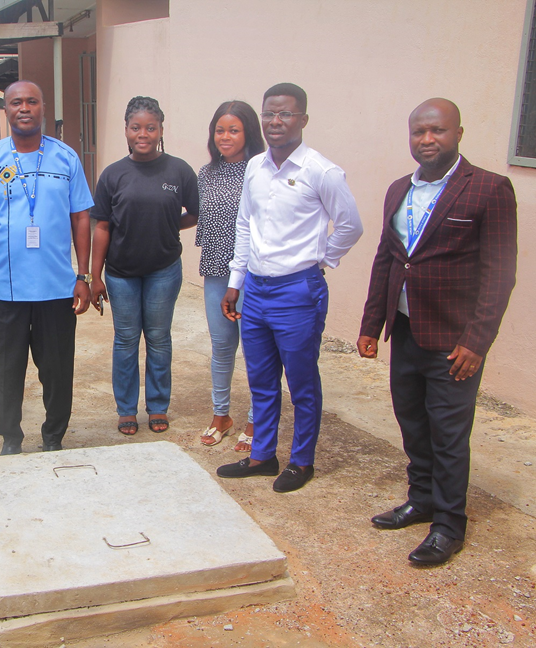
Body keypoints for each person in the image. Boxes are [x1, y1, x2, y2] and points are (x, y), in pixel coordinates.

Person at [358, 99, 517, 566]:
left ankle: (449, 525)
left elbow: (499, 273)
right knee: (412, 420)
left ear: (459, 133)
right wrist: (372, 324)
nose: (427, 140)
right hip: (406, 330)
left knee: (448, 433)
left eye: (437, 131)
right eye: (418, 132)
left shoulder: (489, 188)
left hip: (454, 341)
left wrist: (477, 341)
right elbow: (388, 259)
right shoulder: (397, 190)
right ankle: (421, 499)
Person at [216, 83, 363, 492]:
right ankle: (263, 455)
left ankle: (301, 461)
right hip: (256, 292)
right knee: (261, 379)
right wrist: (236, 280)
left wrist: (321, 260)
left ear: (303, 120)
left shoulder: (321, 171)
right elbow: (245, 225)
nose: (275, 122)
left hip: (298, 292)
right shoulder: (255, 167)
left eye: (285, 114)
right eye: (269, 114)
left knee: (300, 382)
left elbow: (351, 225)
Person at [0, 80, 94, 455]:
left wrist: (82, 276)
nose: (24, 108)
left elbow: (81, 218)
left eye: (32, 101)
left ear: (43, 108)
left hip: (56, 287)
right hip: (5, 289)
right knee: (7, 370)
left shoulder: (66, 158)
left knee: (56, 369)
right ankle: (11, 437)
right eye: (16, 102)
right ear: (5, 110)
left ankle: (54, 435)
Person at [89, 96, 199, 436]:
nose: (143, 134)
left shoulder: (179, 170)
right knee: (125, 340)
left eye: (151, 128)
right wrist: (94, 276)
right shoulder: (113, 174)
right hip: (121, 272)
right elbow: (102, 226)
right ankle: (126, 409)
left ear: (161, 130)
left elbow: (193, 213)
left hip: (163, 270)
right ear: (125, 130)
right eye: (136, 127)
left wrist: (167, 227)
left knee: (158, 338)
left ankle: (158, 406)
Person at [195, 100, 265, 450]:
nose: (225, 137)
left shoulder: (262, 170)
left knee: (255, 348)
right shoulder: (206, 173)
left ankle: (257, 420)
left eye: (233, 130)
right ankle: (220, 414)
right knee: (222, 345)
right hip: (215, 270)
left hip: (253, 275)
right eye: (220, 130)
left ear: (248, 132)